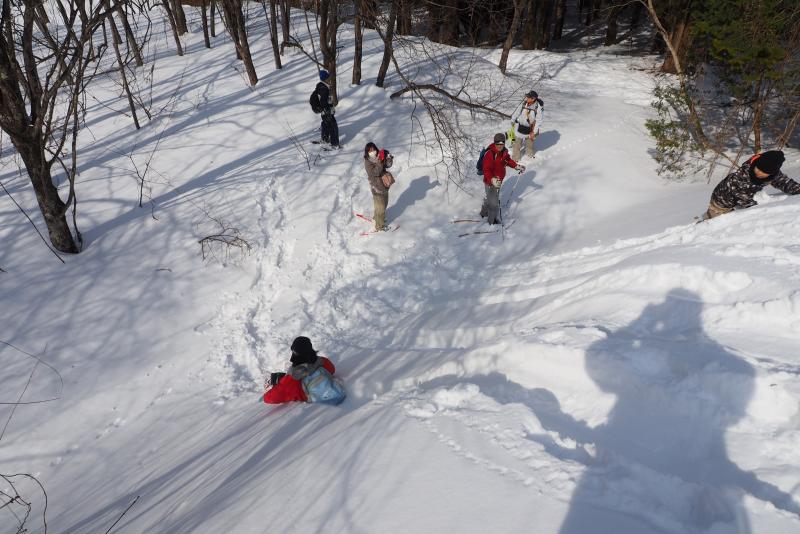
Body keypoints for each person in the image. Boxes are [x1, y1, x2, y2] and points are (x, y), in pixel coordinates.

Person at [704, 150, 800, 219]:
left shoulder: (773, 174)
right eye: (758, 169)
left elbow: (784, 182)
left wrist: (797, 189)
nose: (759, 173)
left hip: (743, 195)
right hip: (722, 199)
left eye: (764, 172)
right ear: (755, 165)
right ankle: (702, 225)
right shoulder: (741, 178)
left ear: (772, 173)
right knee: (715, 218)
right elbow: (746, 203)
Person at [263, 336, 341, 404]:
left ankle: (273, 381)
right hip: (314, 383)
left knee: (278, 380)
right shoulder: (322, 361)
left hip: (300, 390)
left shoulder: (293, 378)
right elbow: (332, 369)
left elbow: (273, 397)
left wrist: (266, 394)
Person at [481, 133, 524, 225]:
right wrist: (492, 180)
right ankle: (492, 222)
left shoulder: (504, 152)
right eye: (497, 144)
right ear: (494, 143)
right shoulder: (490, 154)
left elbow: (508, 161)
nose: (499, 146)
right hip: (490, 182)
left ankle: (483, 213)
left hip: (499, 181)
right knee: (494, 204)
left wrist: (516, 166)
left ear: (504, 143)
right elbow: (486, 170)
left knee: (490, 198)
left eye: (501, 144)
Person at [364, 142, 394, 231]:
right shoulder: (367, 162)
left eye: (373, 149)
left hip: (384, 184)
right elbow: (375, 173)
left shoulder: (379, 156)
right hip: (376, 187)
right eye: (370, 150)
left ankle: (376, 218)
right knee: (380, 208)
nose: (372, 151)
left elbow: (388, 165)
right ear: (367, 152)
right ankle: (379, 226)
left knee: (384, 204)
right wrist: (380, 161)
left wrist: (388, 158)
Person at [510, 90, 544, 161]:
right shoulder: (524, 104)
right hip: (521, 126)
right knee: (517, 144)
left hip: (531, 129)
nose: (526, 98)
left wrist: (534, 132)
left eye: (528, 97)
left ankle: (529, 157)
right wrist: (513, 120)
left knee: (529, 144)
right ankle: (515, 159)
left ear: (533, 98)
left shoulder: (538, 108)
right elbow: (517, 112)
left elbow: (539, 120)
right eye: (527, 96)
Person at [309, 70, 340, 148]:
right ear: (325, 78)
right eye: (328, 77)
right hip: (327, 111)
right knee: (333, 126)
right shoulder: (324, 88)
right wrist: (327, 110)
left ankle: (325, 139)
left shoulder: (322, 86)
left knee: (325, 124)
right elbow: (323, 100)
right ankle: (335, 144)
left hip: (325, 111)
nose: (329, 78)